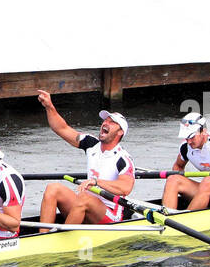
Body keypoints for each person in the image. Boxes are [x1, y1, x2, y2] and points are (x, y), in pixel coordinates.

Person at [35, 90, 136, 229]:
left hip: (111, 216)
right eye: (105, 120)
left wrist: (96, 182)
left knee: (84, 197)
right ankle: (43, 236)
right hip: (85, 206)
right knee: (53, 189)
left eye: (112, 122)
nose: (105, 123)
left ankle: (61, 239)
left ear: (120, 132)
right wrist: (49, 106)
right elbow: (61, 128)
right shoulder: (91, 144)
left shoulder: (123, 159)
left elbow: (125, 188)